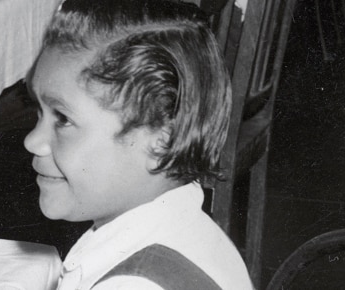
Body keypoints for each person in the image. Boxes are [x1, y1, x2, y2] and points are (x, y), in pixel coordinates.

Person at [23, 0, 253, 289]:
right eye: (38, 112)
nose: (32, 141)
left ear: (161, 140)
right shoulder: (189, 233)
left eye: (63, 119)